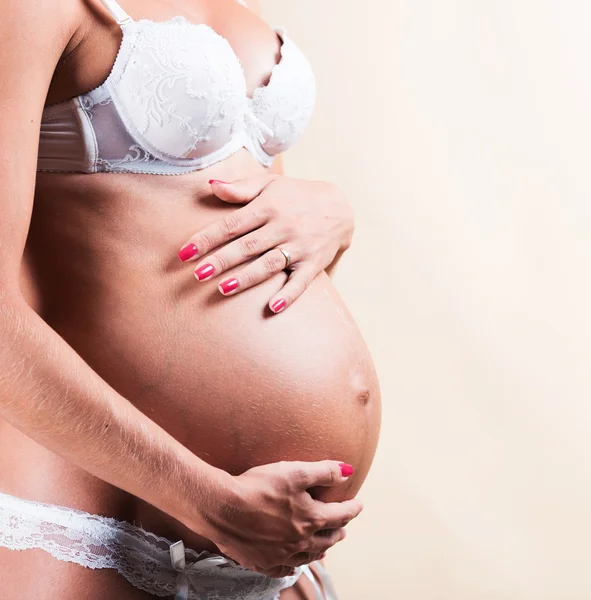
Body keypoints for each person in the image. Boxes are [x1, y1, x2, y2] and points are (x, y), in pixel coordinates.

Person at [0, 0, 382, 598]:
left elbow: (244, 246)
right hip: (107, 530)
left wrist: (332, 217)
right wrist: (206, 502)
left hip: (265, 551)